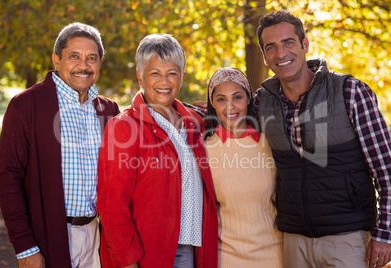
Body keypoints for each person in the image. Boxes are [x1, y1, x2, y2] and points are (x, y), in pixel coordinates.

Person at [254, 10, 391, 268]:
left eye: (288, 42)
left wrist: (385, 234)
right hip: (294, 239)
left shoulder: (349, 92)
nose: (280, 54)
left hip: (347, 238)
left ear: (305, 44)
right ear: (264, 56)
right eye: (270, 47)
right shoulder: (262, 101)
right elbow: (228, 111)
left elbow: (386, 170)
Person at [0, 22, 120, 268]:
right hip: (49, 236)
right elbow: (9, 178)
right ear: (56, 59)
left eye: (92, 58)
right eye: (74, 56)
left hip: (98, 237)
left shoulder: (108, 110)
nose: (83, 65)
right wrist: (25, 248)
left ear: (99, 64)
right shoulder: (26, 105)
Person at [96, 33, 218, 268]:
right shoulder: (124, 127)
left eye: (172, 73)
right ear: (140, 77)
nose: (164, 81)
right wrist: (127, 260)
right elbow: (112, 205)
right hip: (146, 252)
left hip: (192, 249)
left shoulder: (194, 123)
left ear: (181, 78)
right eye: (155, 73)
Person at [204, 67, 283, 268]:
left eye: (237, 97)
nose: (230, 106)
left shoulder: (270, 144)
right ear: (212, 103)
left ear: (248, 98)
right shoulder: (204, 151)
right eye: (221, 99)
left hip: (275, 255)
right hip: (226, 258)